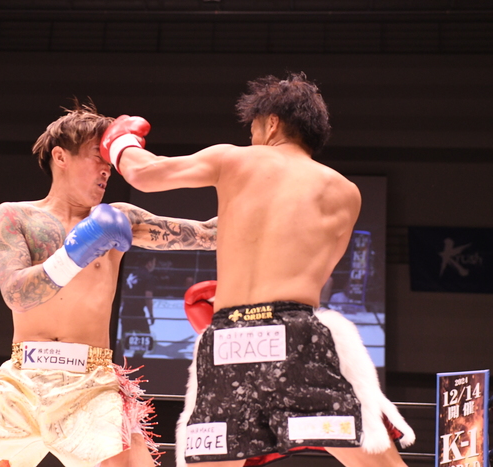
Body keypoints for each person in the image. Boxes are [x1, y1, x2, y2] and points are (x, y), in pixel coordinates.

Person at [100, 72, 415, 467]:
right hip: (296, 335)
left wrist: (120, 140)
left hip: (227, 339)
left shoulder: (236, 160)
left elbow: (143, 173)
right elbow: (319, 274)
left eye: (252, 129)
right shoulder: (345, 192)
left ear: (272, 123)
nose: (251, 139)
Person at [0, 100, 217, 467]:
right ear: (61, 156)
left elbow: (209, 234)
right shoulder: (16, 216)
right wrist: (79, 250)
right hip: (20, 384)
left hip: (92, 386)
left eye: (110, 161)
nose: (107, 169)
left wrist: (267, 189)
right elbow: (17, 294)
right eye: (97, 156)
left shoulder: (119, 218)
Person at [120, 255, 158, 356]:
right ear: (149, 263)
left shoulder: (132, 273)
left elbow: (123, 291)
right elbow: (148, 296)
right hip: (137, 312)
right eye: (154, 263)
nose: (154, 265)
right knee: (145, 340)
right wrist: (151, 314)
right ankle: (136, 361)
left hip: (126, 310)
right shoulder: (148, 277)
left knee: (123, 340)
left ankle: (117, 361)